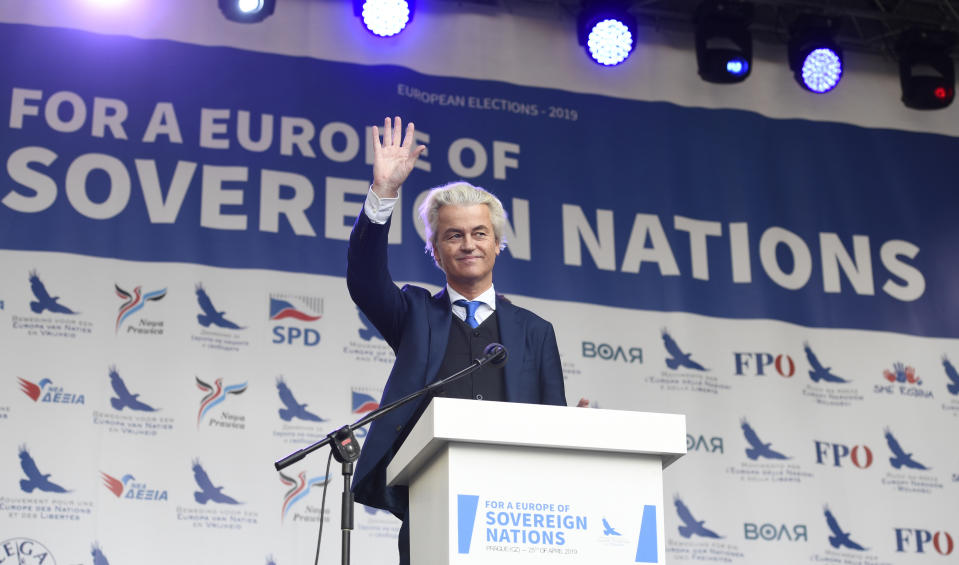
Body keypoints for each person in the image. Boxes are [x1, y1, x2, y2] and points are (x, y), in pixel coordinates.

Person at [348, 117, 566, 565]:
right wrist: (383, 192)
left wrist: (577, 438)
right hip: (431, 503)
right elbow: (365, 280)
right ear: (435, 249)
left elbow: (554, 426)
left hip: (519, 516)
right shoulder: (415, 316)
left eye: (479, 233)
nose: (468, 244)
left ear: (497, 244)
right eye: (453, 235)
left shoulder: (535, 332)